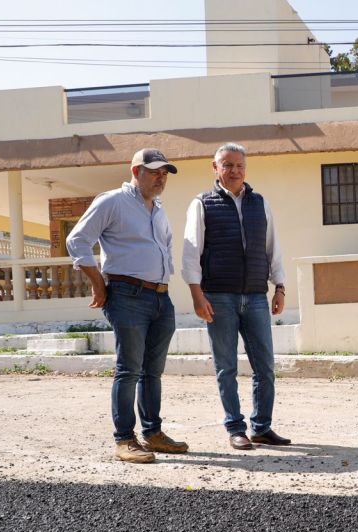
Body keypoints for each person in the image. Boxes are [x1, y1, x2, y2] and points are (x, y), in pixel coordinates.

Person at [66, 148, 188, 464]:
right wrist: (97, 281)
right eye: (154, 171)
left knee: (153, 372)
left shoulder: (158, 210)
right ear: (136, 172)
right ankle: (124, 439)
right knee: (129, 369)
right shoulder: (113, 202)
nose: (161, 178)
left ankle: (153, 433)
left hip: (161, 298)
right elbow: (77, 240)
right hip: (127, 296)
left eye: (165, 173)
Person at [182, 143, 290, 451]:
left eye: (240, 165)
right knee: (226, 367)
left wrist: (279, 286)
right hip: (218, 297)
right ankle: (235, 427)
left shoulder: (260, 203)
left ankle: (262, 427)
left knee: (265, 367)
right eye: (227, 165)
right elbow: (191, 253)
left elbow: (273, 248)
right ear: (215, 168)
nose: (235, 171)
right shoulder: (202, 204)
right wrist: (197, 295)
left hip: (256, 295)